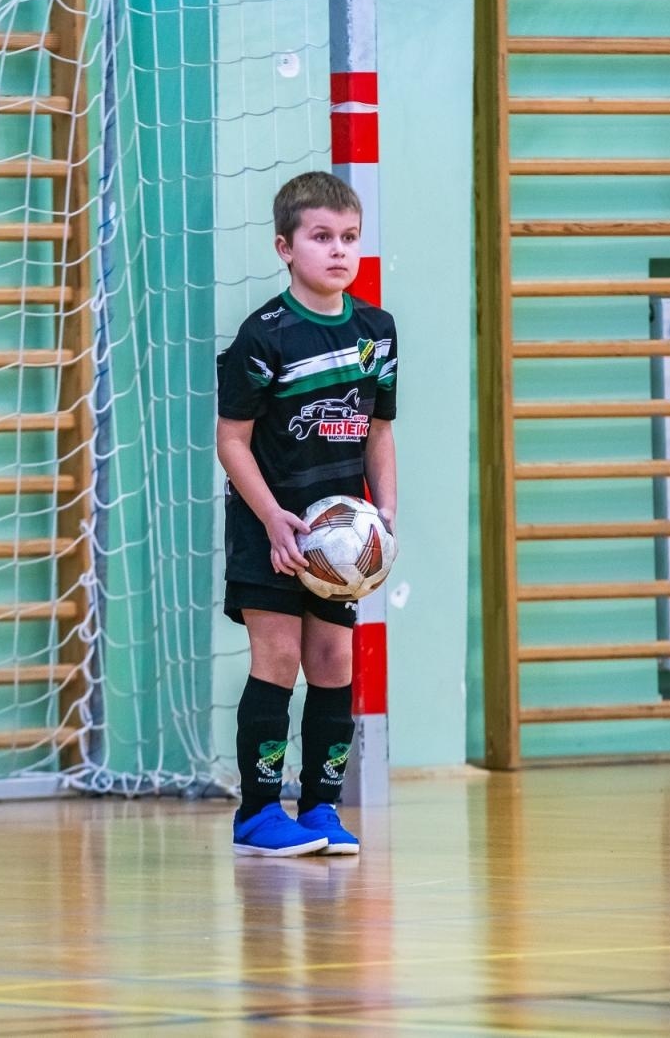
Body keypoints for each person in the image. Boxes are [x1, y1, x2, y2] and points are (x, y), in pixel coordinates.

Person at [215, 171, 398, 858]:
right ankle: (259, 812)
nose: (338, 251)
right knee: (281, 654)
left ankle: (320, 807)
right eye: (321, 237)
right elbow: (231, 440)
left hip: (341, 540)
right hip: (272, 529)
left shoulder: (376, 332)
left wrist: (387, 519)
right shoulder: (263, 336)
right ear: (285, 247)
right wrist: (270, 519)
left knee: (333, 659)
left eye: (349, 237)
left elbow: (380, 433)